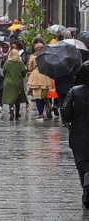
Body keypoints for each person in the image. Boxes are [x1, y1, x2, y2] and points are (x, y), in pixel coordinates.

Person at [61, 61, 89, 208]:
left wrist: (71, 118)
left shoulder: (75, 91)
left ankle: (86, 188)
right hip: (80, 133)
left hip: (79, 133)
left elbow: (65, 112)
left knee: (82, 163)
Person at [27, 43, 53, 119]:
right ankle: (48, 109)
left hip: (35, 77)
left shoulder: (32, 56)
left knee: (37, 97)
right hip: (45, 75)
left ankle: (40, 113)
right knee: (45, 96)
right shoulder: (47, 55)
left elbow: (30, 68)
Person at [2, 49, 27, 121]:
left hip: (8, 83)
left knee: (10, 98)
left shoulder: (7, 63)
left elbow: (4, 72)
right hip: (18, 82)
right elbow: (24, 72)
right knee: (17, 98)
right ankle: (17, 113)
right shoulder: (20, 63)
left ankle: (11, 109)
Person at [0, 42, 10, 112]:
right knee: (1, 89)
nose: (4, 49)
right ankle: (0, 105)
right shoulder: (0, 57)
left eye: (6, 48)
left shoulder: (10, 56)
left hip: (9, 75)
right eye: (3, 47)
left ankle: (10, 106)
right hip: (1, 76)